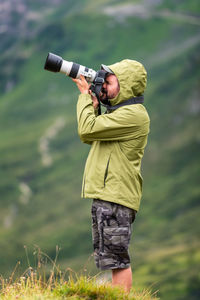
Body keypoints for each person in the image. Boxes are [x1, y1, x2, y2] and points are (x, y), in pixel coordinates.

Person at [72, 59, 150, 292]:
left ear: (125, 85)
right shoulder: (122, 113)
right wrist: (95, 104)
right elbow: (92, 134)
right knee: (110, 259)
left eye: (109, 80)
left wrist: (85, 96)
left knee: (117, 261)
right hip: (108, 194)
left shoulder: (135, 115)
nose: (103, 85)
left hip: (116, 196)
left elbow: (87, 130)